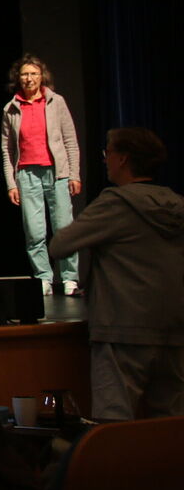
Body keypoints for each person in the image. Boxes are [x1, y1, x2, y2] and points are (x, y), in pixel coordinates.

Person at [49, 128, 184, 420]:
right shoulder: (177, 205)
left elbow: (60, 244)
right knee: (172, 430)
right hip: (174, 329)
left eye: (107, 153)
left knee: (114, 426)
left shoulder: (117, 204)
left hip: (123, 328)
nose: (105, 159)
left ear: (123, 159)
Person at [1, 54, 81, 296]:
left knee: (63, 229)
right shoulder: (11, 108)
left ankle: (69, 278)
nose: (29, 78)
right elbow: (7, 149)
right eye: (24, 74)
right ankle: (43, 277)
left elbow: (70, 141)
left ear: (41, 76)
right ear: (18, 78)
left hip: (56, 173)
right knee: (34, 231)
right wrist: (10, 183)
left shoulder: (56, 102)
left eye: (33, 74)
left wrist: (74, 174)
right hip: (26, 174)